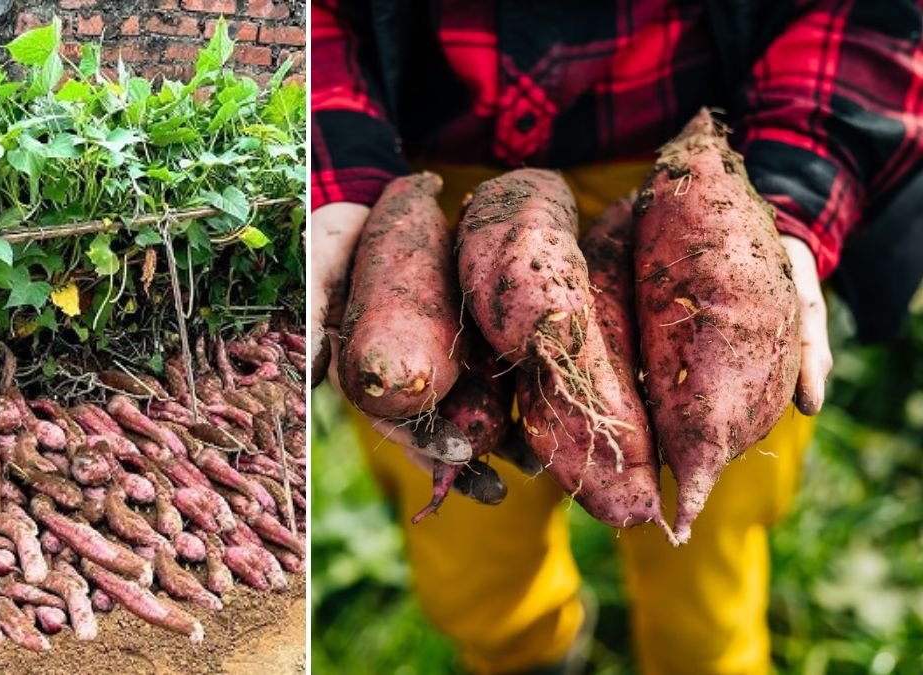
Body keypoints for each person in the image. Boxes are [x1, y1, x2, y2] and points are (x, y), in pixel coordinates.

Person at [310, 1, 923, 673]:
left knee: (709, 554)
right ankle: (528, 653)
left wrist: (799, 190)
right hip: (431, 199)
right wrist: (337, 174)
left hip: (704, 198)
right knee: (470, 555)